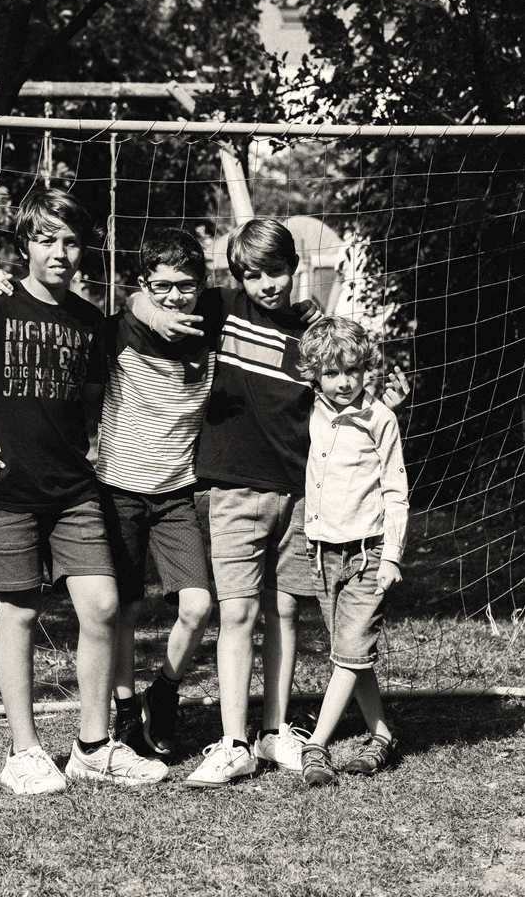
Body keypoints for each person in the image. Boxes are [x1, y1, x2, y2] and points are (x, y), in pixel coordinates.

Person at [0, 187, 168, 794]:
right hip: (6, 490)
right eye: (46, 239)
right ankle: (24, 750)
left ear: (85, 250)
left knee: (101, 605)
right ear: (25, 246)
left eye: (71, 241)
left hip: (75, 490)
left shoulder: (89, 321)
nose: (59, 252)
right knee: (19, 611)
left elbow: (94, 402)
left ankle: (93, 746)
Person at [135, 219, 409, 788]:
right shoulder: (221, 308)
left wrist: (384, 392)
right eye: (252, 274)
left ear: (296, 267)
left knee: (285, 611)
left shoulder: (312, 330)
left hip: (300, 495)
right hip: (233, 489)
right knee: (236, 612)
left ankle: (274, 729)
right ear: (238, 276)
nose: (266, 284)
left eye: (276, 271)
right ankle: (233, 741)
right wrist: (158, 312)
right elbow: (147, 295)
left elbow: (349, 370)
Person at [0, 227, 219, 761]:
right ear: (142, 285)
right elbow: (127, 310)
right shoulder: (116, 331)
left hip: (176, 494)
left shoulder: (214, 326)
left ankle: (164, 692)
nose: (174, 296)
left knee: (199, 606)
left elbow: (265, 305)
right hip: (117, 490)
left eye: (186, 285)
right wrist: (149, 309)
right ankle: (127, 708)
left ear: (203, 285)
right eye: (161, 286)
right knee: (121, 611)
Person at [296, 316, 408, 786]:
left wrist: (392, 557)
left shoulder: (381, 418)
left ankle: (316, 745)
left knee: (348, 652)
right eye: (331, 372)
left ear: (367, 369)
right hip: (322, 555)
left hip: (368, 552)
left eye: (353, 370)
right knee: (351, 654)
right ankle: (382, 736)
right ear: (314, 375)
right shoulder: (307, 412)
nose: (344, 382)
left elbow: (395, 490)